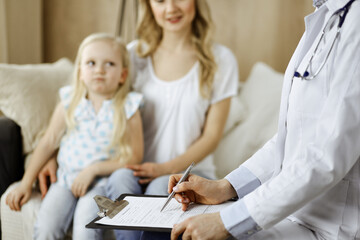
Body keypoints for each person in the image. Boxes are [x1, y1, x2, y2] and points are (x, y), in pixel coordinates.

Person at [168, 0, 360, 239]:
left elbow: (327, 155)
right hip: (296, 217)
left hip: (330, 228)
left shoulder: (355, 22)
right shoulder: (326, 16)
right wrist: (226, 187)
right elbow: (293, 136)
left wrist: (229, 221)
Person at [106, 0, 238, 239]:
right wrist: (53, 154)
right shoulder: (134, 54)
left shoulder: (220, 59)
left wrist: (164, 169)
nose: (171, 8)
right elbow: (94, 103)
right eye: (160, 1)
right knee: (118, 179)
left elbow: (211, 137)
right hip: (137, 169)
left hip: (188, 173)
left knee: (163, 189)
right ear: (149, 6)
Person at [5, 33, 144, 240]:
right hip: (64, 180)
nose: (99, 70)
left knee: (85, 230)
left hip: (100, 184)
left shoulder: (128, 107)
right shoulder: (70, 101)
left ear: (123, 75)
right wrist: (26, 182)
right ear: (80, 72)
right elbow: (48, 142)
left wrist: (93, 170)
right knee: (46, 228)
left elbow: (135, 157)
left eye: (109, 64)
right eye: (91, 63)